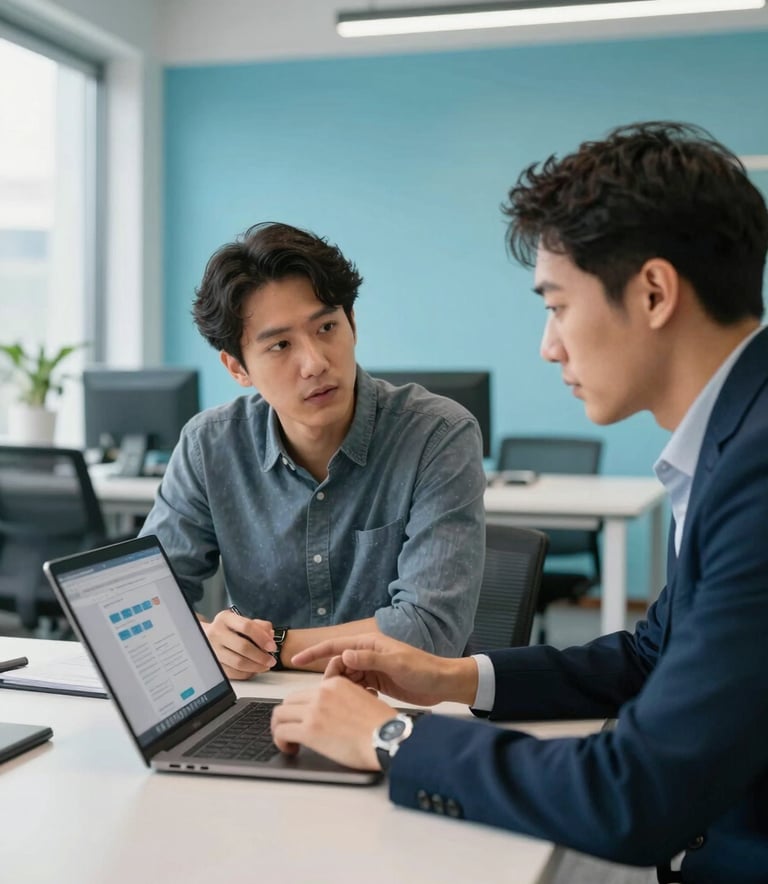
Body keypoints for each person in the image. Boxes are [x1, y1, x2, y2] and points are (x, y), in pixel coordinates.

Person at [270, 122, 768, 883]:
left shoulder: (758, 468)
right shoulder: (735, 439)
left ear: (655, 293)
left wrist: (394, 735)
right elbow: (650, 655)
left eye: (558, 305)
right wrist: (453, 678)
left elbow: (635, 795)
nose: (548, 345)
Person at [140, 222, 485, 678]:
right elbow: (143, 601)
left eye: (326, 327)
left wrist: (268, 646)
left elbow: (429, 631)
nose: (315, 362)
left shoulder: (437, 434)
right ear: (237, 368)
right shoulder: (210, 445)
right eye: (281, 345)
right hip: (259, 708)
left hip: (400, 711)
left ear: (353, 323)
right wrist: (204, 639)